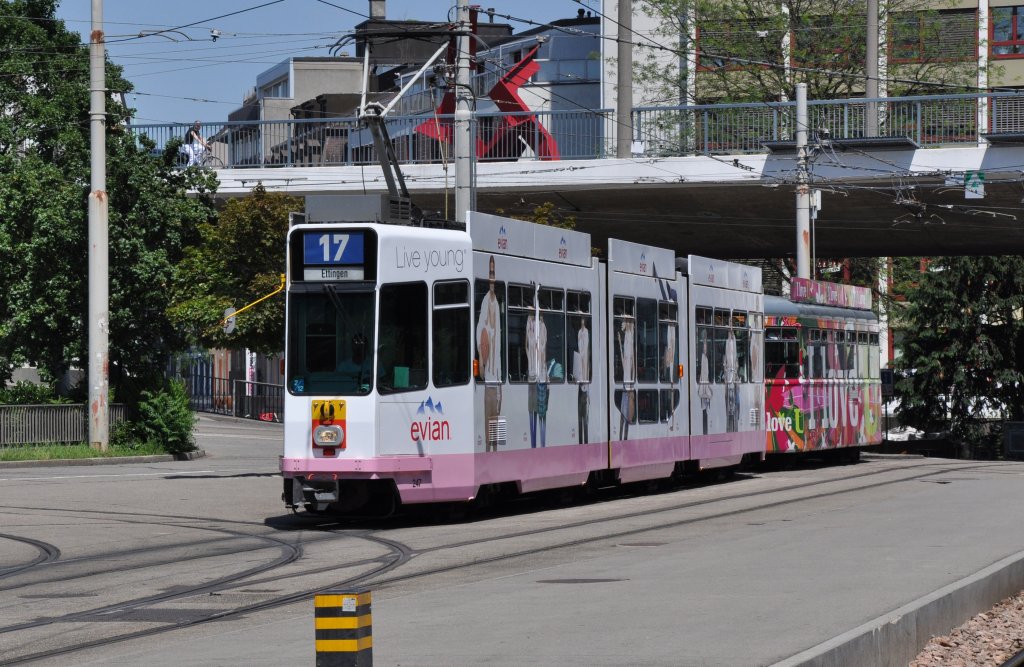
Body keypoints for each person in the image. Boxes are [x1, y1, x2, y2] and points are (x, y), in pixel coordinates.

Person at [475, 256, 502, 452]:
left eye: (494, 274)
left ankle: (495, 452)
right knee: (488, 416)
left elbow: (498, 341)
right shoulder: (485, 300)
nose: (492, 278)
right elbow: (480, 329)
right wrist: (481, 361)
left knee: (497, 417)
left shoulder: (497, 304)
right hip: (489, 374)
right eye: (490, 274)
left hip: (497, 374)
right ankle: (488, 452)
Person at [526, 288, 548, 448]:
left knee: (541, 413)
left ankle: (542, 445)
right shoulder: (530, 325)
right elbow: (528, 346)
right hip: (532, 376)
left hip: (541, 377)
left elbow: (543, 350)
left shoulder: (542, 327)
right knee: (532, 412)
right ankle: (534, 446)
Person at [617, 318, 635, 441]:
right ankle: (621, 439)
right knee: (623, 416)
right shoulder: (626, 341)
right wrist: (619, 342)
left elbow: (631, 363)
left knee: (626, 417)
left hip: (628, 387)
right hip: (625, 384)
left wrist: (632, 387)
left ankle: (624, 439)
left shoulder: (630, 338)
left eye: (624, 322)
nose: (622, 324)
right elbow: (625, 365)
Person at [574, 317, 590, 444]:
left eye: (583, 320)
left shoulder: (586, 333)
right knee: (580, 416)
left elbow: (586, 349)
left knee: (585, 416)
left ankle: (585, 441)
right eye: (581, 320)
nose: (582, 322)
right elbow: (580, 349)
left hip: (584, 364)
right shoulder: (580, 332)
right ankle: (581, 442)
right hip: (581, 363)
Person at [697, 330, 712, 435]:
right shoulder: (703, 358)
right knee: (704, 407)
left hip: (705, 384)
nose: (705, 348)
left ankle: (705, 429)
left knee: (705, 407)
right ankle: (704, 429)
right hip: (703, 384)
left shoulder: (705, 359)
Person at [724, 328, 739, 432]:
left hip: (733, 374)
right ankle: (729, 426)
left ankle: (734, 423)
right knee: (729, 402)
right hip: (728, 374)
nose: (730, 334)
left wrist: (736, 370)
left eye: (731, 332)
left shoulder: (734, 342)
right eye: (729, 332)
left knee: (734, 401)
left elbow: (735, 358)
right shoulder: (727, 343)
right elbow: (726, 359)